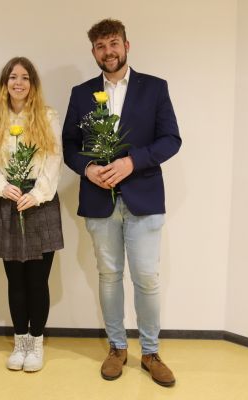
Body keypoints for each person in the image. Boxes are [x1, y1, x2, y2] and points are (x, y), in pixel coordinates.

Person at [62, 19, 181, 386]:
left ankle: (150, 351)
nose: (108, 52)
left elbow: (171, 140)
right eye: (100, 46)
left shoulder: (155, 88)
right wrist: (87, 168)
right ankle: (117, 347)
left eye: (113, 43)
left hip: (143, 197)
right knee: (109, 276)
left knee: (146, 277)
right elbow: (69, 145)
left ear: (127, 46)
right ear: (93, 52)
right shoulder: (81, 93)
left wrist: (133, 161)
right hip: (99, 200)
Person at [0, 57, 64, 372]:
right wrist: (2, 185)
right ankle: (20, 343)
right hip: (8, 202)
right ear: (5, 84)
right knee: (14, 280)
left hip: (39, 203)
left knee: (37, 280)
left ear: (33, 84)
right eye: (12, 77)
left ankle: (37, 343)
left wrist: (38, 193)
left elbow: (54, 159)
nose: (18, 83)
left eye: (25, 78)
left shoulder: (47, 115)